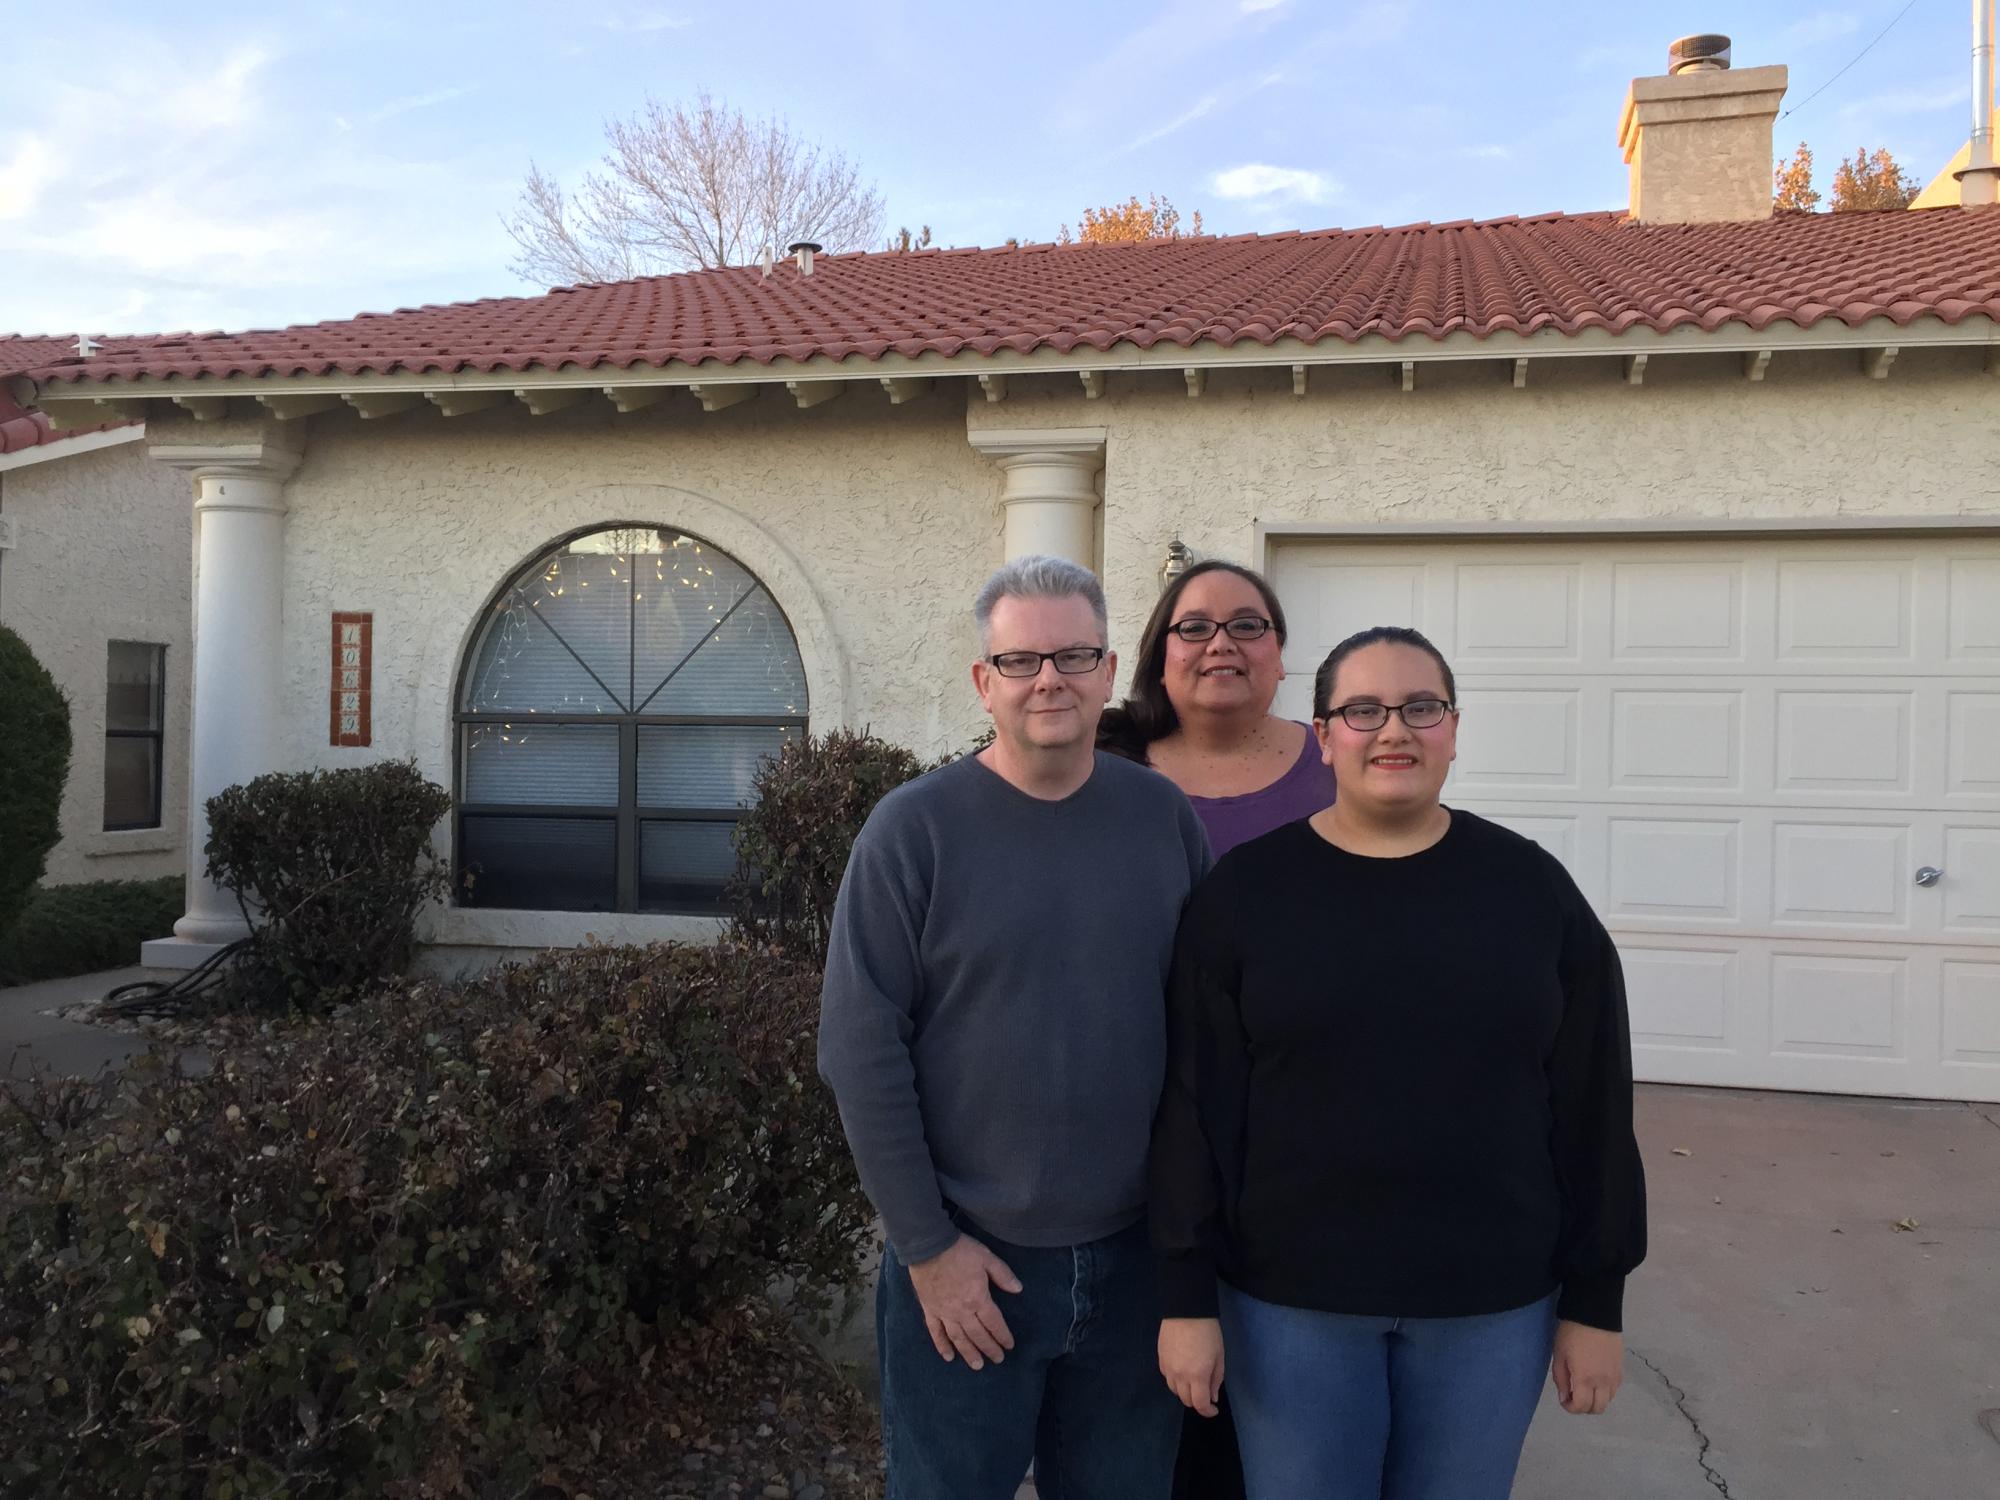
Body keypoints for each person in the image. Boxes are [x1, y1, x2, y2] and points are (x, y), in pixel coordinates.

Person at [1149, 625, 1647, 1500]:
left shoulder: (1532, 893)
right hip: (1290, 1306)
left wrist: (1595, 1301)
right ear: (1322, 735)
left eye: (1421, 708)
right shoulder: (1245, 898)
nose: (1393, 732)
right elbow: (1196, 1109)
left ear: (1453, 728)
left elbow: (1594, 1106)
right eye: (1363, 710)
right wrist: (1187, 1296)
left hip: (1491, 1306)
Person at [819, 554, 1211, 1500]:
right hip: (969, 1265)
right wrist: (926, 1248)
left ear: (1111, 672)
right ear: (983, 682)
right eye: (1023, 659)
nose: (1050, 679)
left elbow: (1206, 1034)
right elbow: (860, 1051)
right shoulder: (912, 833)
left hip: (1134, 1264)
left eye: (1074, 655)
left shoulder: (1162, 819)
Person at [1101, 558, 1334, 1500]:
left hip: (1300, 1113)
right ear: (1159, 654)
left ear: (1281, 655)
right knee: (1150, 1376)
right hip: (1134, 1097)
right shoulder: (1105, 767)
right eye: (1193, 627)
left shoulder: (1337, 760)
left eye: (1247, 625)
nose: (1220, 644)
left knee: (1271, 1379)